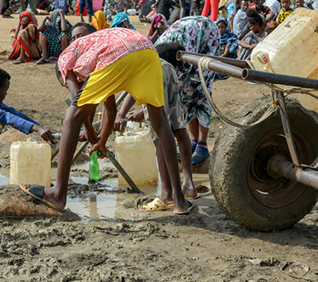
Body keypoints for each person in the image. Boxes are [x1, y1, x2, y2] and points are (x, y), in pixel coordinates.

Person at [21, 25, 193, 214]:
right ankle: (179, 200)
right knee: (160, 123)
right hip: (147, 50)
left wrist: (89, 129)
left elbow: (75, 104)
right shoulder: (94, 58)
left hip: (119, 53)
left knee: (71, 116)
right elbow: (110, 110)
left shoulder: (65, 61)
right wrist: (101, 141)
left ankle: (57, 193)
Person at [114, 42, 198, 209]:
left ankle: (166, 194)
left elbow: (134, 88)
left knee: (159, 134)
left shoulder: (140, 60)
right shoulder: (169, 67)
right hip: (168, 74)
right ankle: (188, 184)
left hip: (151, 72)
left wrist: (120, 114)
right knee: (178, 128)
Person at [155, 16, 220, 167]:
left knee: (200, 90)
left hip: (207, 38)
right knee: (186, 94)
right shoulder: (158, 49)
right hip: (189, 39)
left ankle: (202, 145)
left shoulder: (185, 45)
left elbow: (183, 72)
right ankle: (194, 140)